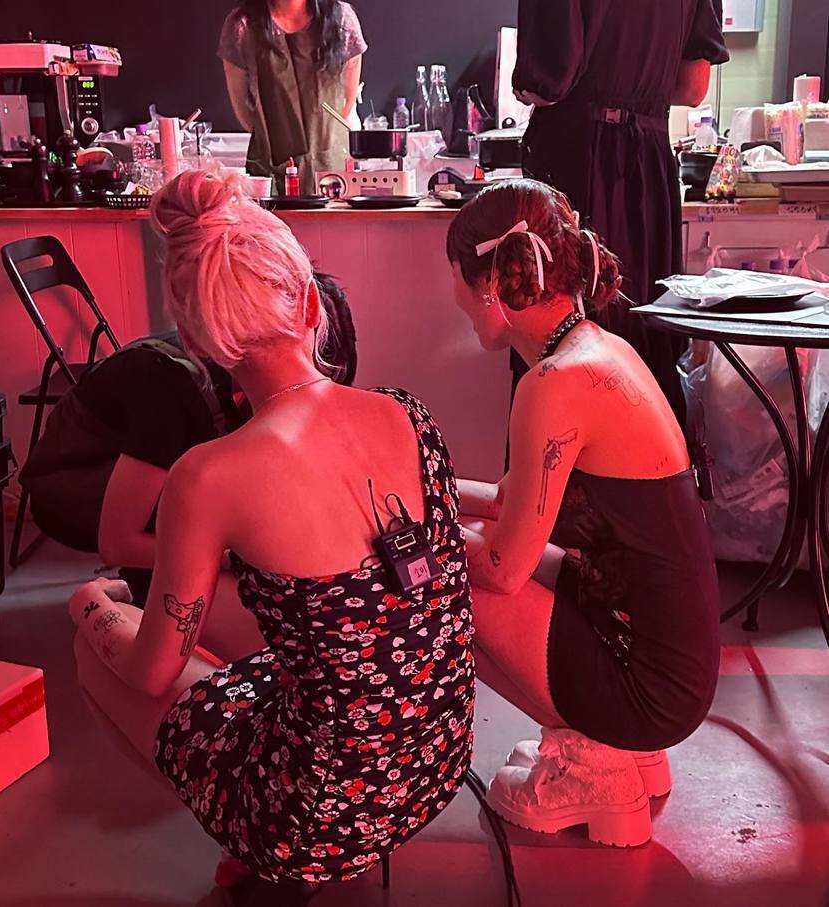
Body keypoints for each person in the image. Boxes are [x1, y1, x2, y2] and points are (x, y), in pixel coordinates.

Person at [69, 169, 474, 897]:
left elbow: (152, 673)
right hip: (438, 762)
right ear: (313, 302)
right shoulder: (406, 413)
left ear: (198, 342)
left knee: (97, 651)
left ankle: (262, 844)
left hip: (317, 816)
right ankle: (288, 836)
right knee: (292, 656)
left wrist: (93, 609)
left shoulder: (207, 476)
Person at [446, 180, 720, 847]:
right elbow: (511, 504)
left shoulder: (554, 384)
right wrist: (428, 491)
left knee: (435, 583)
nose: (453, 297)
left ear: (491, 283)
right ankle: (617, 749)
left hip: (651, 686)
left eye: (455, 277)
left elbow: (504, 569)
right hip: (670, 661)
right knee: (464, 540)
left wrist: (406, 534)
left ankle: (597, 757)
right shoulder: (596, 349)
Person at [20, 274, 357, 607]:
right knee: (213, 518)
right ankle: (136, 599)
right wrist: (237, 560)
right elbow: (118, 542)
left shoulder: (244, 370)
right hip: (72, 488)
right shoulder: (171, 389)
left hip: (148, 463)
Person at [511, 0, 729, 420]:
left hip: (578, 162)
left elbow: (549, 81)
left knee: (562, 345)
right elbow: (692, 87)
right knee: (644, 338)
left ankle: (559, 462)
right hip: (649, 166)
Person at [219, 0, 367, 194]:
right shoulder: (242, 26)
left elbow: (348, 101)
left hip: (332, 170)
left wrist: (322, 142)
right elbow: (243, 107)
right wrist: (274, 137)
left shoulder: (341, 20)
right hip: (271, 171)